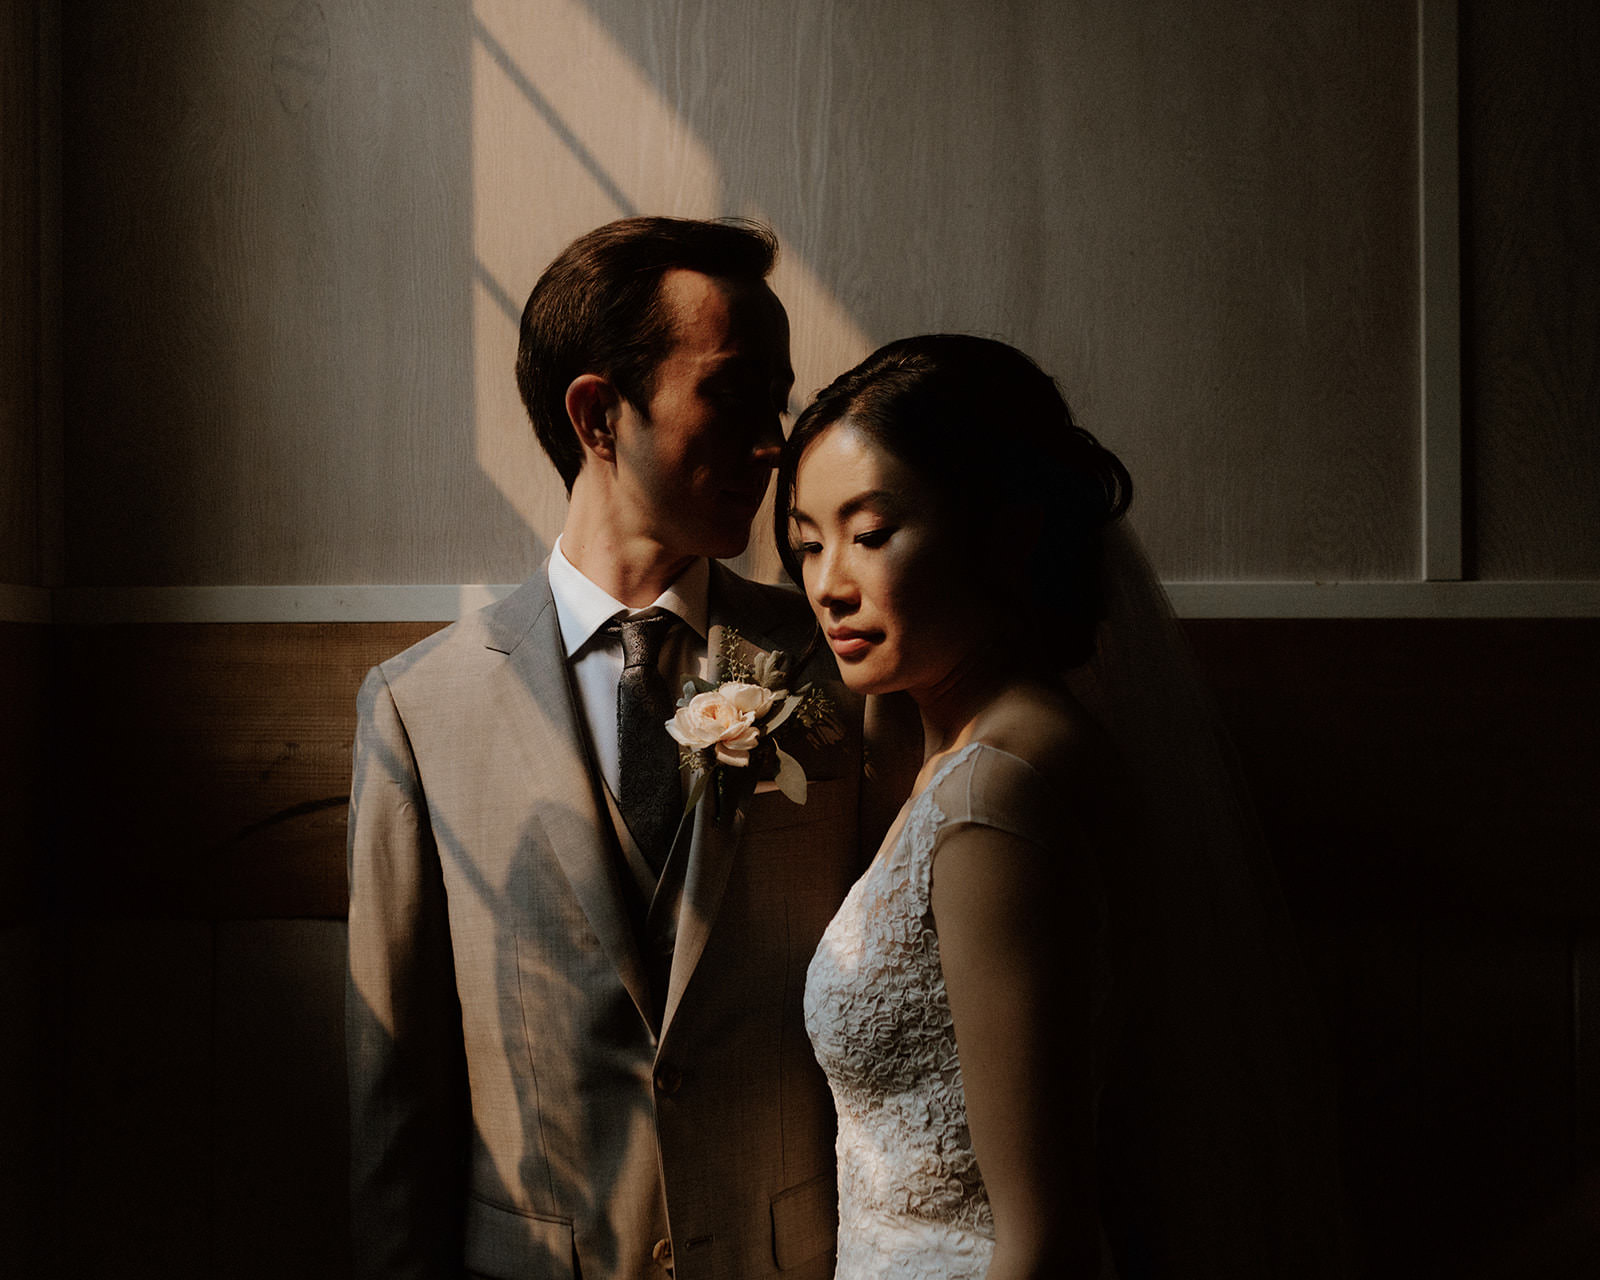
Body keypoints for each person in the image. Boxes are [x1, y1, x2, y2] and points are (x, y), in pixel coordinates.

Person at [346, 217, 906, 1280]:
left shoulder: (838, 667)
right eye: (735, 394)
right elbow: (396, 1092)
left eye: (778, 401)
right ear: (599, 414)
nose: (773, 442)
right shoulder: (418, 708)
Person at [776, 334, 1351, 1279]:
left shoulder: (995, 791)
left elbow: (1047, 1241)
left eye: (871, 534)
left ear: (1003, 532)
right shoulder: (976, 750)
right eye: (808, 543)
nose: (830, 584)